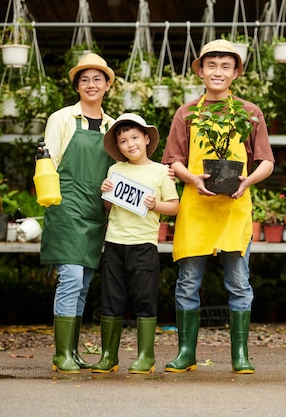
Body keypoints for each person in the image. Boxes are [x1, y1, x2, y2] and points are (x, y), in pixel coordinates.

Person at [161, 39, 275, 374]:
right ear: (201, 71)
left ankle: (240, 355)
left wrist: (247, 181)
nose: (218, 72)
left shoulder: (249, 112)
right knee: (187, 283)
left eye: (226, 66)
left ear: (236, 73)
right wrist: (192, 178)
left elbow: (266, 161)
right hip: (196, 206)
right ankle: (186, 353)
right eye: (212, 65)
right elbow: (173, 160)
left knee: (239, 283)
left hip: (234, 208)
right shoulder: (187, 113)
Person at [40, 53, 116, 374]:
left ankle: (71, 350)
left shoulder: (114, 126)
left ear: (107, 85)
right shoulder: (62, 119)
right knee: (70, 279)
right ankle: (61, 354)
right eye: (84, 79)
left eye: (97, 79)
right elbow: (48, 164)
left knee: (83, 283)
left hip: (96, 212)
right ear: (76, 86)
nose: (91, 84)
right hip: (67, 206)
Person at [93, 113, 179, 374]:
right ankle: (109, 355)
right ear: (117, 147)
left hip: (144, 245)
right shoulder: (115, 170)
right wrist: (105, 191)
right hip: (115, 243)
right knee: (111, 299)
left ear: (146, 138)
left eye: (134, 137)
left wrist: (156, 205)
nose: (130, 144)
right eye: (123, 141)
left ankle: (146, 356)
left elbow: (175, 207)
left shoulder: (161, 171)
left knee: (145, 298)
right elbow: (109, 207)